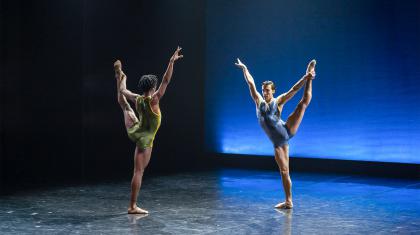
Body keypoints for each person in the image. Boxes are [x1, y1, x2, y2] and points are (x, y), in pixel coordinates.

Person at [235, 58, 316, 209]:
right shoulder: (258, 101)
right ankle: (289, 201)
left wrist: (305, 78)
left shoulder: (278, 101)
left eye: (268, 90)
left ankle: (310, 73)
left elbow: (293, 90)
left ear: (273, 91)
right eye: (263, 90)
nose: (265, 92)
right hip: (279, 143)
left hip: (287, 129)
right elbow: (251, 83)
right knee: (284, 172)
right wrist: (245, 68)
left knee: (302, 104)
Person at [114, 47, 183, 214]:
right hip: (145, 139)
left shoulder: (138, 99)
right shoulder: (154, 100)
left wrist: (121, 79)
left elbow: (123, 91)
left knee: (124, 104)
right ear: (153, 86)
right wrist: (171, 62)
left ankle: (120, 75)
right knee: (138, 171)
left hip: (135, 128)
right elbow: (166, 80)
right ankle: (132, 206)